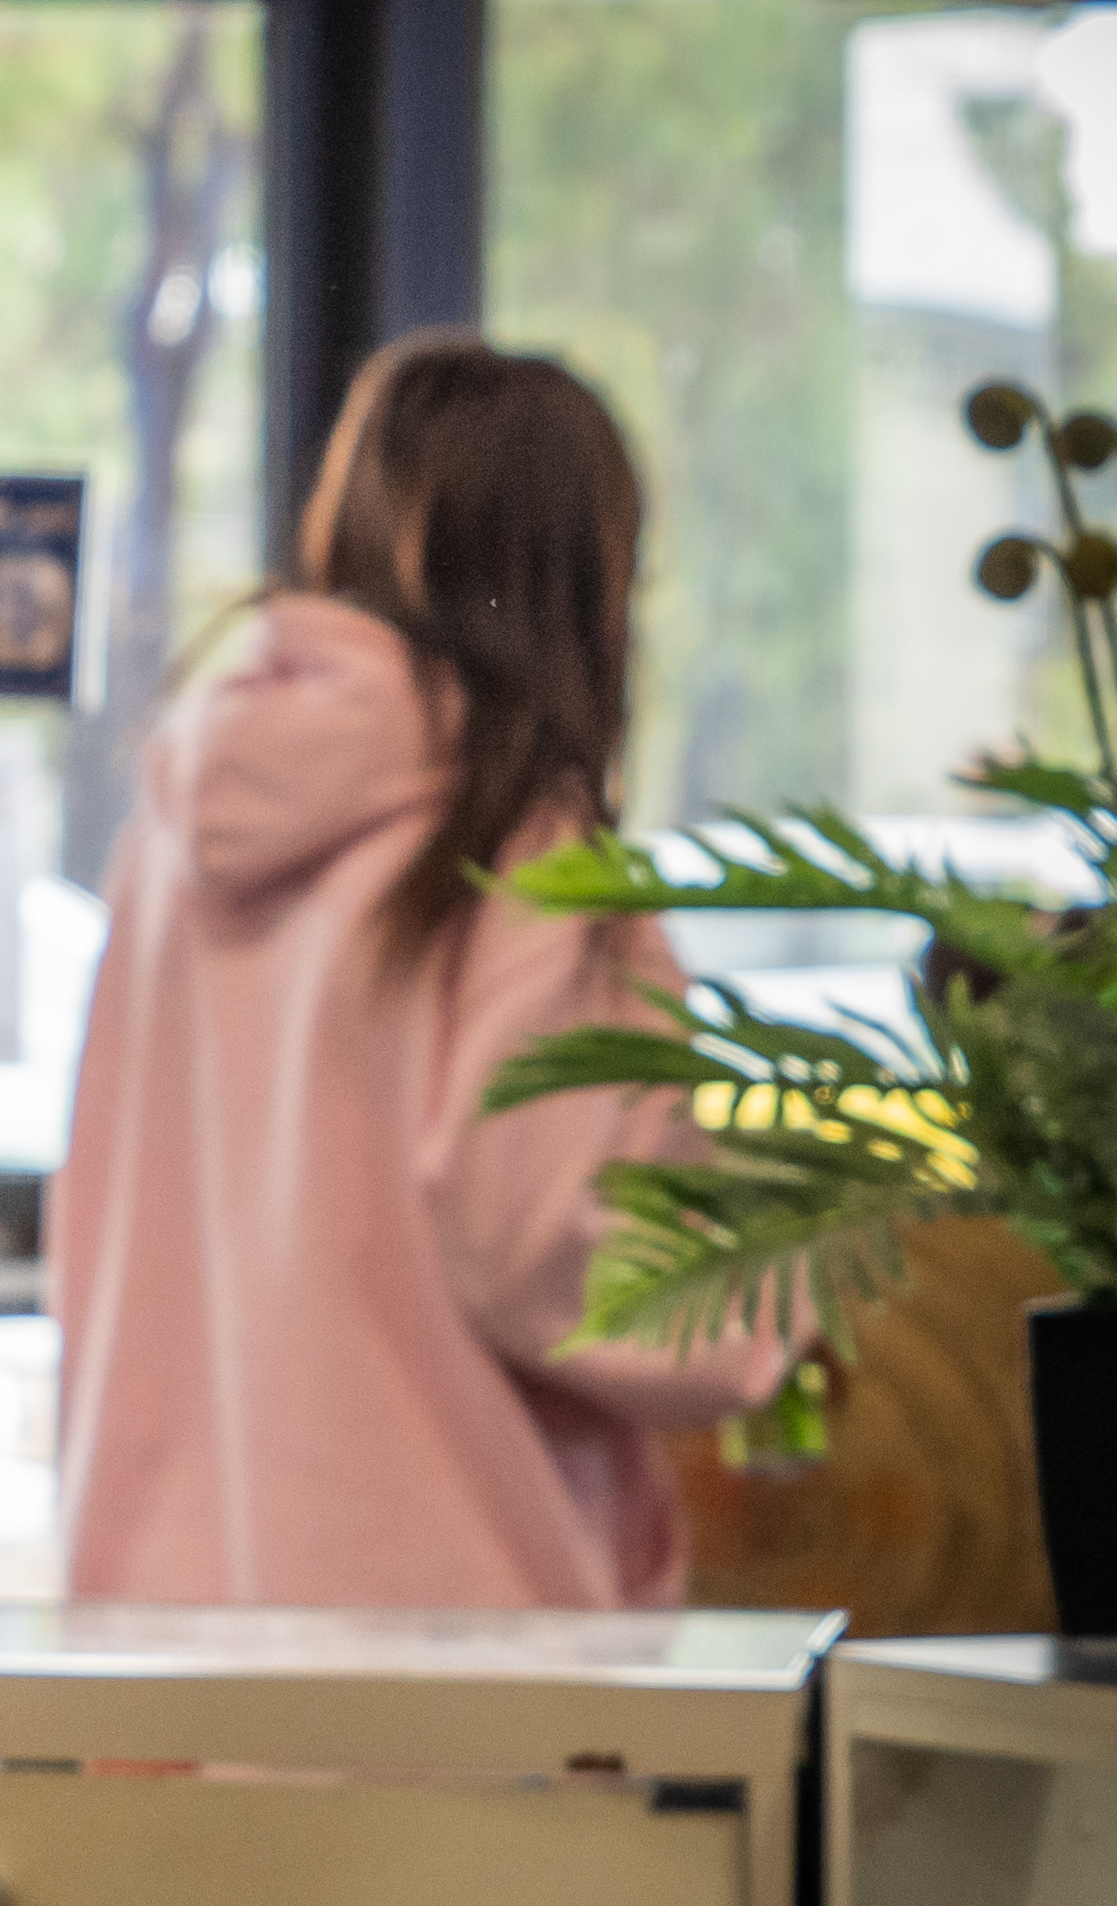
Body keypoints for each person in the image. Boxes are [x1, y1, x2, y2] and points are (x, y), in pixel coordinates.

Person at [55, 334, 795, 1608]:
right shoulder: (520, 848)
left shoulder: (169, 842)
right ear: (586, 576)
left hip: (161, 1640)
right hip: (459, 1653)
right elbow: (541, 1242)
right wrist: (765, 1315)